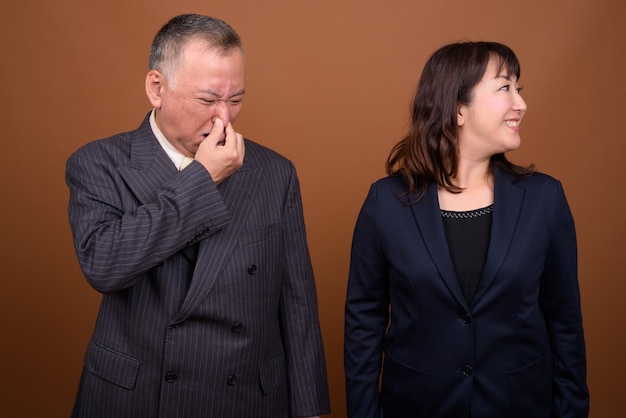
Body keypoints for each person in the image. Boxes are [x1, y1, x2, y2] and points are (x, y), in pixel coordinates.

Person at [66, 14, 330, 418]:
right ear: (157, 88)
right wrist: (203, 179)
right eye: (208, 100)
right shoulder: (99, 163)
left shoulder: (275, 173)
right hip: (137, 398)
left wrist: (310, 409)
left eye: (236, 99)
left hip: (244, 399)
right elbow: (105, 264)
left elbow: (297, 302)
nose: (224, 118)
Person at [344, 41, 589, 418]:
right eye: (505, 87)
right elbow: (364, 321)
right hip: (417, 405)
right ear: (458, 108)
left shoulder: (545, 198)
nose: (521, 103)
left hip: (519, 406)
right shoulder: (384, 202)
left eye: (518, 88)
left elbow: (565, 322)